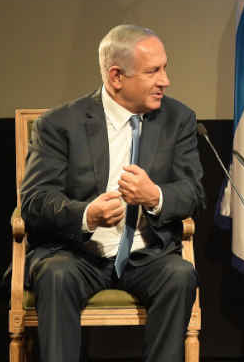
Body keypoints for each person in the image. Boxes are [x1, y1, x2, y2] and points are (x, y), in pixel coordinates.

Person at [20, 24, 205, 362]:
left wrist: (155, 196)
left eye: (165, 67)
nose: (165, 80)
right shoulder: (59, 125)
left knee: (180, 275)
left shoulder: (178, 119)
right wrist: (86, 214)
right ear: (116, 77)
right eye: (153, 71)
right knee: (56, 275)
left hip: (146, 256)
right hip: (75, 253)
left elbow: (192, 192)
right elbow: (34, 201)